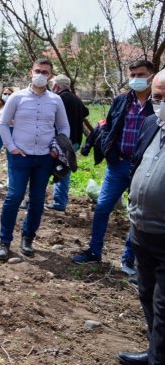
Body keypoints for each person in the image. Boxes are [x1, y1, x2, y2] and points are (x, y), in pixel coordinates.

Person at [72, 60, 155, 276]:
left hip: (144, 168)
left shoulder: (158, 104)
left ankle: (129, 258)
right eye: (133, 74)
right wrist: (109, 151)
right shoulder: (121, 101)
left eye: (141, 74)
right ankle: (94, 251)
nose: (136, 78)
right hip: (118, 164)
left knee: (136, 214)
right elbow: (108, 125)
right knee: (102, 208)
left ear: (152, 76)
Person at [0, 58, 70, 262]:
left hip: (45, 158)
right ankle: (4, 241)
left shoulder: (56, 100)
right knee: (14, 196)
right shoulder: (17, 98)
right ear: (31, 72)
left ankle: (28, 238)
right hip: (20, 156)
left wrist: (57, 148)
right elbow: (3, 124)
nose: (40, 75)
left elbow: (63, 127)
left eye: (45, 72)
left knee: (37, 200)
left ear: (51, 76)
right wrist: (11, 147)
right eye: (38, 71)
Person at [117, 69, 165, 365]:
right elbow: (137, 165)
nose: (161, 104)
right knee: (146, 294)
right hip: (141, 231)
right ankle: (155, 350)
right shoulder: (151, 124)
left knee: (164, 305)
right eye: (158, 97)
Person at [47, 75, 89, 213]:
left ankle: (40, 200)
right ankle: (60, 202)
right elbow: (86, 111)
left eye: (52, 85)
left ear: (57, 86)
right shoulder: (75, 98)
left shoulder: (60, 98)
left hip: (62, 141)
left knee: (52, 169)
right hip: (74, 141)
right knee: (64, 170)